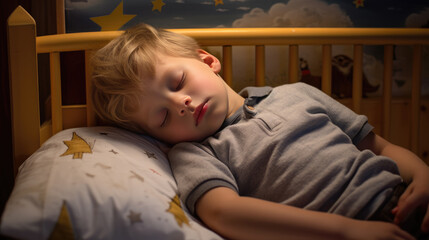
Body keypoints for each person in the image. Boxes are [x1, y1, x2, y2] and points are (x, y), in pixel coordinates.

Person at [91, 23, 429, 240]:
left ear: (207, 61)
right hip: (343, 227)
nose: (183, 103)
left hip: (403, 197)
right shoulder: (196, 153)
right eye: (162, 117)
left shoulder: (297, 93)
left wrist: (424, 176)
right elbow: (224, 212)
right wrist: (346, 230)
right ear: (158, 138)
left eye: (177, 82)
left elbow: (380, 147)